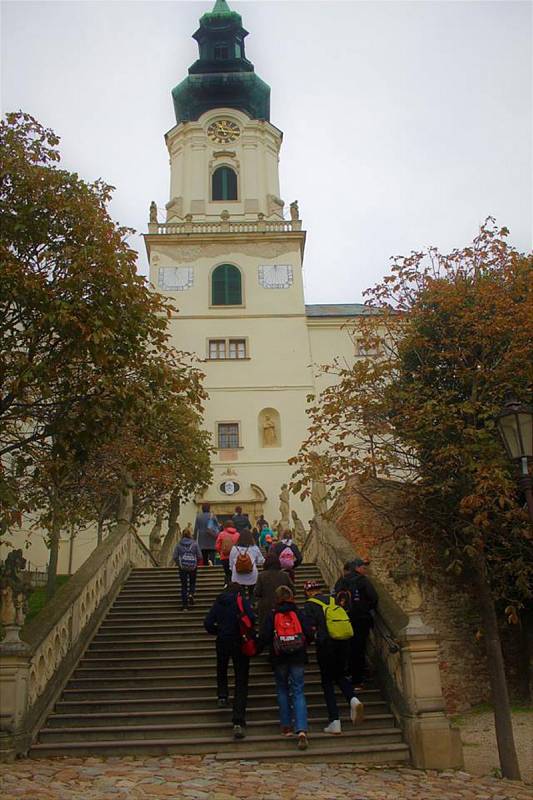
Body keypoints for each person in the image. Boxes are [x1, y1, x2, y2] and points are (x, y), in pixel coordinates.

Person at [303, 579, 364, 734]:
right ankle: (353, 699)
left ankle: (334, 720)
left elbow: (309, 629)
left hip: (326, 646)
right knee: (340, 675)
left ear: (308, 592)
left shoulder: (310, 605)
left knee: (327, 681)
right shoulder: (333, 600)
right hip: (343, 642)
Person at [260, 585, 313, 750]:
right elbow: (309, 633)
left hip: (279, 657)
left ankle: (286, 726)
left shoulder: (272, 614)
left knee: (282, 689)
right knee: (298, 690)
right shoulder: (299, 612)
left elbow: (265, 636)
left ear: (277, 598)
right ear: (292, 597)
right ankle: (302, 729)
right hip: (297, 656)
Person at [204, 583, 255, 739]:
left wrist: (218, 631)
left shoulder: (218, 602)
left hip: (223, 641)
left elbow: (207, 623)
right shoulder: (241, 601)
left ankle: (222, 694)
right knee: (241, 679)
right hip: (240, 641)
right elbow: (252, 618)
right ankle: (238, 719)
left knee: (222, 667)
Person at [334, 558, 378, 689]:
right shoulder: (363, 581)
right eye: (363, 568)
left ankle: (343, 676)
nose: (365, 570)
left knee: (345, 647)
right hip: (360, 619)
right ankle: (357, 680)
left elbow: (334, 597)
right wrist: (366, 608)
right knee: (358, 649)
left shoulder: (341, 581)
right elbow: (374, 598)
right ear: (357, 568)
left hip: (343, 620)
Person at [254, 551, 293, 629]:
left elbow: (257, 592)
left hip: (266, 608)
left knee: (266, 629)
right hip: (283, 607)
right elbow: (292, 591)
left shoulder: (262, 576)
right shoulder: (285, 575)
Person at [228, 527, 265, 599]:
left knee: (240, 597)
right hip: (251, 575)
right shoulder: (254, 548)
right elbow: (260, 560)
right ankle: (250, 607)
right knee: (252, 594)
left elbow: (231, 564)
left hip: (237, 576)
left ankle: (242, 608)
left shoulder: (234, 549)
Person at [172, 529, 202, 610]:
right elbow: (200, 556)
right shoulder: (195, 544)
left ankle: (185, 605)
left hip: (183, 567)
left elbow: (174, 556)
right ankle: (191, 594)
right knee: (192, 582)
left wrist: (179, 563)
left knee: (184, 585)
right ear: (190, 535)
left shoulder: (178, 545)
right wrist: (195, 562)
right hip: (193, 567)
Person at [215, 521, 240, 587]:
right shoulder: (238, 534)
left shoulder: (221, 534)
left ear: (225, 526)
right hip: (236, 557)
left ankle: (228, 586)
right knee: (234, 573)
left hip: (225, 557)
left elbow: (217, 546)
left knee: (227, 573)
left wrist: (221, 552)